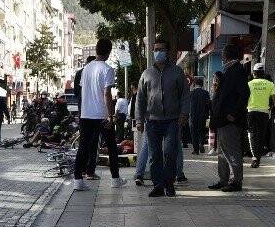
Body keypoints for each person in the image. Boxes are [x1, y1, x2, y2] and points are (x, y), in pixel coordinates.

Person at [135, 36, 190, 198]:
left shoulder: (177, 72)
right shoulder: (146, 74)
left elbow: (185, 95)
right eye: (156, 50)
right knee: (155, 155)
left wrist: (184, 114)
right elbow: (140, 99)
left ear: (167, 52)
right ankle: (158, 185)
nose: (158, 52)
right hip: (152, 121)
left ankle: (169, 184)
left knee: (170, 153)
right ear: (152, 52)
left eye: (161, 49)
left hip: (173, 121)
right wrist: (139, 119)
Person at [72, 38, 125, 191]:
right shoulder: (108, 69)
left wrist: (81, 112)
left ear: (96, 50)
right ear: (108, 52)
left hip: (86, 115)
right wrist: (111, 116)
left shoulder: (86, 69)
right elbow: (107, 93)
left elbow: (82, 92)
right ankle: (115, 179)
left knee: (83, 147)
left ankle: (78, 181)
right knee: (111, 147)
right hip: (102, 116)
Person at [209, 45, 250, 193]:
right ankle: (223, 179)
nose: (221, 58)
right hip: (222, 121)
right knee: (222, 152)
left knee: (232, 151)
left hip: (229, 121)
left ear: (227, 56)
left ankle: (236, 181)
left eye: (223, 55)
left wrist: (233, 113)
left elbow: (244, 94)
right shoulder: (229, 71)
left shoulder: (237, 71)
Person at [246, 64, 275, 168]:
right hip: (264, 113)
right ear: (263, 73)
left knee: (252, 135)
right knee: (261, 136)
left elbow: (244, 98)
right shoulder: (270, 84)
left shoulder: (249, 84)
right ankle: (258, 158)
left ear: (254, 73)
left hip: (251, 112)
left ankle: (255, 158)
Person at [188, 77, 211, 155]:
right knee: (202, 131)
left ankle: (196, 149)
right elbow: (208, 105)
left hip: (193, 116)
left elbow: (188, 106)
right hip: (204, 116)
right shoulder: (206, 93)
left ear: (194, 84)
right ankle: (201, 143)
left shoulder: (191, 93)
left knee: (193, 133)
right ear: (202, 84)